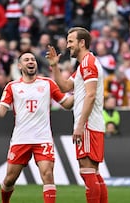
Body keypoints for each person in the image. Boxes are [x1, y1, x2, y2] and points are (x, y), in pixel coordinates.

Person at [0, 51, 74, 203]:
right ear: (20, 66)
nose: (31, 61)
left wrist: (81, 92)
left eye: (33, 59)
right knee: (9, 179)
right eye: (27, 59)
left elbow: (66, 104)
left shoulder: (47, 83)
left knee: (47, 174)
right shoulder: (12, 86)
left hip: (43, 138)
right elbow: (1, 112)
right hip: (21, 139)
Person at [46, 27, 108, 203]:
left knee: (87, 171)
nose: (68, 45)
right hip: (91, 123)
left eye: (71, 41)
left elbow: (90, 94)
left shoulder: (88, 63)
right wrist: (54, 66)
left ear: (82, 42)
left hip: (88, 124)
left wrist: (80, 125)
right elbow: (65, 86)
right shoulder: (84, 65)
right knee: (92, 172)